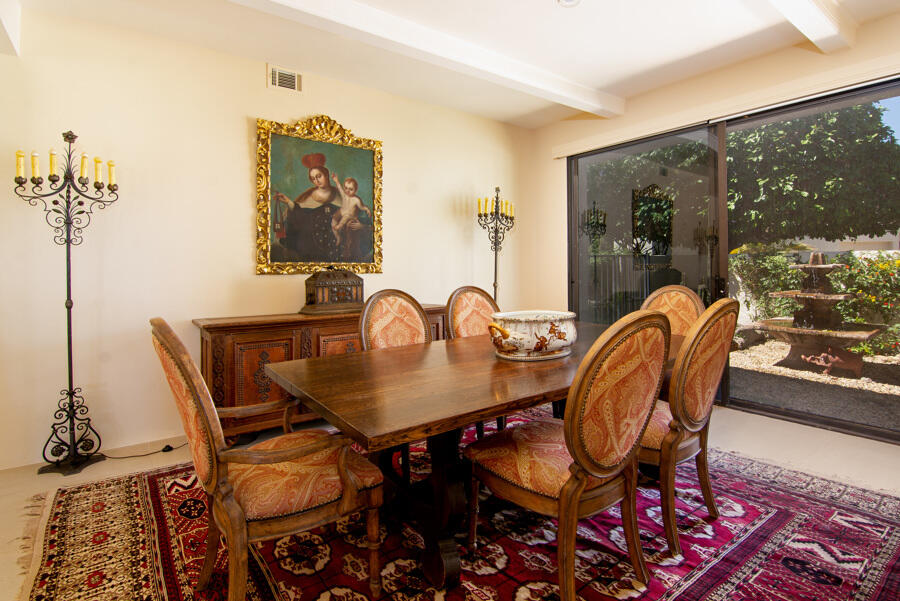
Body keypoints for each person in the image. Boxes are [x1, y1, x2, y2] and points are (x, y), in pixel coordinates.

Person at [271, 153, 342, 262]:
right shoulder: (308, 195)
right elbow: (301, 215)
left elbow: (350, 211)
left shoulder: (339, 194)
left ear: (326, 175)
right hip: (312, 243)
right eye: (313, 178)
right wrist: (289, 202)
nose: (317, 181)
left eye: (319, 176)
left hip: (335, 242)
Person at [330, 174, 373, 247]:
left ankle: (339, 226)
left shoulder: (356, 200)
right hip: (342, 212)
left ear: (355, 190)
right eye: (346, 188)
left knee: (346, 216)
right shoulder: (344, 195)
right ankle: (338, 237)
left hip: (350, 216)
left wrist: (367, 209)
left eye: (351, 189)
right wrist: (336, 181)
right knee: (334, 219)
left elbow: (362, 207)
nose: (347, 191)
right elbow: (339, 187)